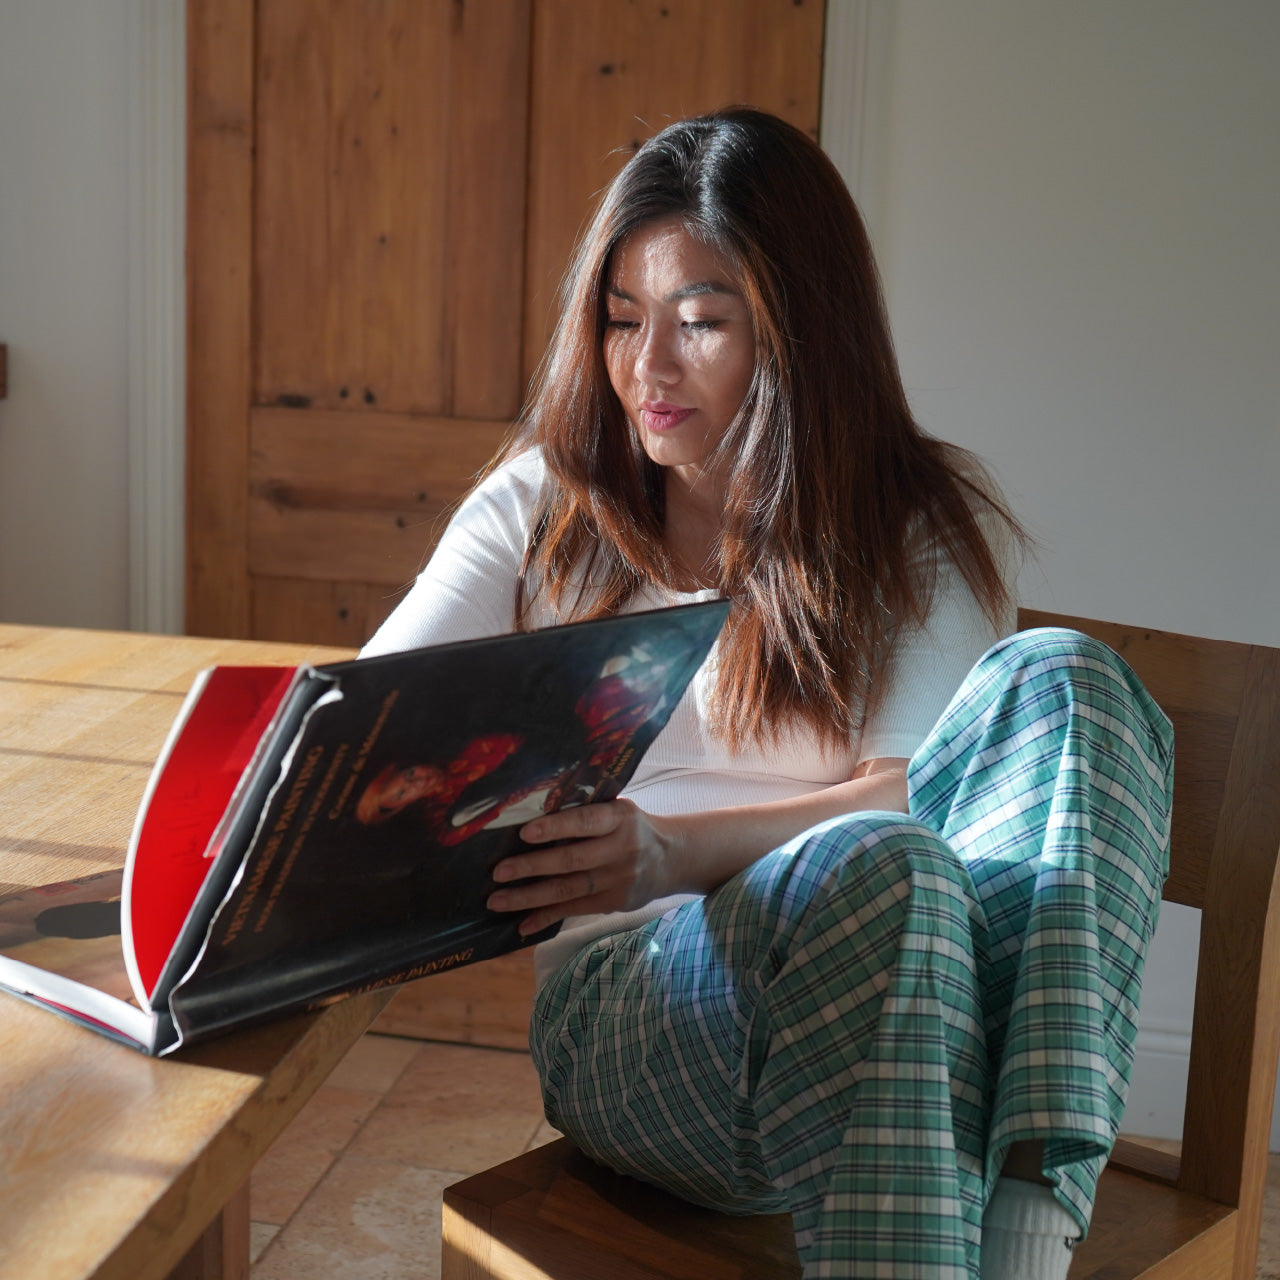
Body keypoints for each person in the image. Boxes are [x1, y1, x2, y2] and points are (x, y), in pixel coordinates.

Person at [361, 108, 1173, 1280]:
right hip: (640, 1017)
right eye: (621, 319)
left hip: (907, 1010)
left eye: (698, 321)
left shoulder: (908, 519)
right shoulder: (545, 505)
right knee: (877, 871)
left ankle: (1020, 1240)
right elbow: (360, 722)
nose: (646, 367)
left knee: (1068, 684)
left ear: (800, 330)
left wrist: (667, 848)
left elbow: (909, 794)